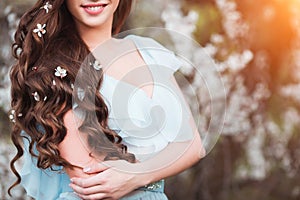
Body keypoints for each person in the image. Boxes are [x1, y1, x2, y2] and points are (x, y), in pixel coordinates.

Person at [8, 0, 205, 199]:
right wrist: (162, 161)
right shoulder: (56, 72)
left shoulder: (148, 51)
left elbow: (193, 146)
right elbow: (90, 179)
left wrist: (136, 176)